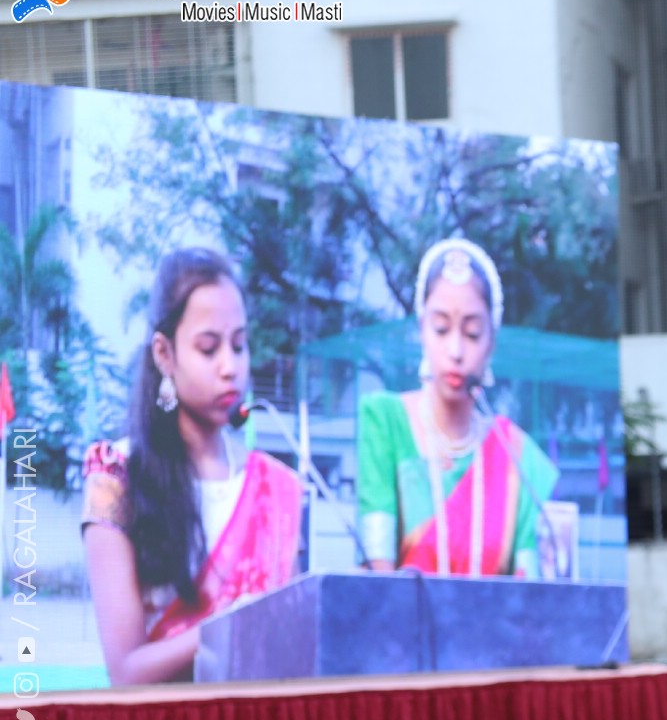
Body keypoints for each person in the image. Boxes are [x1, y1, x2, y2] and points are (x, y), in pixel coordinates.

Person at [81, 249, 304, 685]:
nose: (231, 368)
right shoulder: (115, 479)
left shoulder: (273, 487)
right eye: (209, 348)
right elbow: (127, 671)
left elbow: (291, 637)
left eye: (239, 345)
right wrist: (229, 624)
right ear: (164, 354)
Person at [356, 237, 558, 577]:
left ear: (491, 342)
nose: (455, 351)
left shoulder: (518, 457)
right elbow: (380, 579)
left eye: (473, 333)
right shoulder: (385, 421)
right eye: (440, 329)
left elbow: (531, 598)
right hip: (402, 627)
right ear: (421, 331)